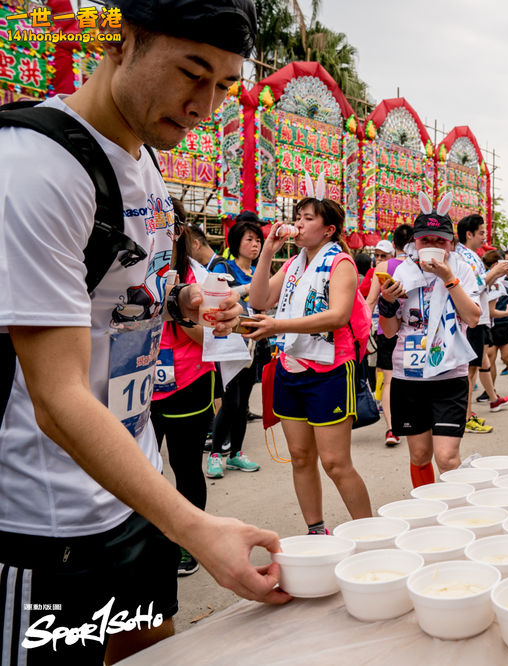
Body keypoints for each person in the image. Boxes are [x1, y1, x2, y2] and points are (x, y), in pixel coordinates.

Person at [0, 4, 290, 663]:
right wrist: (195, 526)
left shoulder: (144, 159)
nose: (204, 105)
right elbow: (58, 397)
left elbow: (134, 289)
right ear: (122, 41)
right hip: (50, 523)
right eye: (192, 74)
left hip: (134, 488)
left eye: (222, 85)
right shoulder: (36, 169)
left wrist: (187, 300)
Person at [245, 197, 372, 533]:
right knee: (300, 457)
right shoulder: (293, 264)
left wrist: (277, 327)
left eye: (307, 219)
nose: (298, 225)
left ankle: (372, 534)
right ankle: (316, 530)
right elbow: (259, 301)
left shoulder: (341, 262)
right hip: (290, 365)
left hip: (329, 370)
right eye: (297, 218)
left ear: (328, 230)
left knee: (335, 463)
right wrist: (268, 252)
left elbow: (337, 316)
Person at [378, 201, 482, 487]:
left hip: (450, 374)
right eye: (426, 240)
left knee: (447, 457)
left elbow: (473, 318)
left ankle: (457, 512)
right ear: (415, 241)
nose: (433, 245)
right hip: (408, 375)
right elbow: (389, 332)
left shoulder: (463, 269)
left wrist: (448, 278)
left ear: (451, 243)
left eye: (440, 240)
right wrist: (386, 304)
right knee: (420, 456)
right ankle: (427, 514)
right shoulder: (402, 272)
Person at [150, 202, 217, 578]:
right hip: (135, 386)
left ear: (178, 233)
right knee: (143, 466)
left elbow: (208, 336)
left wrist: (174, 304)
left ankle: (190, 545)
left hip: (188, 382)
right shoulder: (129, 267)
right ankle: (150, 539)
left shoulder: (201, 278)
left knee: (184, 465)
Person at [205, 219, 266, 478]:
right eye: (249, 239)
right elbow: (215, 298)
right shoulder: (224, 267)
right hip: (228, 346)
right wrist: (246, 290)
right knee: (229, 402)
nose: (255, 245)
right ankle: (216, 454)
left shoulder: (259, 273)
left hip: (254, 345)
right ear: (236, 242)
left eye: (258, 240)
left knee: (243, 405)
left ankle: (236, 454)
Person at [455, 214, 508, 434]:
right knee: (469, 370)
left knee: (473, 368)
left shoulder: (471, 256)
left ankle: (467, 413)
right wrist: (492, 274)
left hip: (476, 319)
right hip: (470, 320)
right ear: (468, 234)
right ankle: (465, 416)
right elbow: (471, 287)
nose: (483, 237)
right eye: (480, 233)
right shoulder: (462, 257)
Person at [366, 226, 413, 447]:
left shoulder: (384, 267)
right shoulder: (419, 267)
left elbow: (370, 302)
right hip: (413, 331)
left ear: (393, 246)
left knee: (388, 381)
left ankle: (392, 428)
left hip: (385, 328)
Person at [482, 250, 508, 399]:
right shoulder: (485, 278)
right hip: (490, 323)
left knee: (507, 357)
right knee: (490, 358)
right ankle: (490, 390)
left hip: (506, 323)